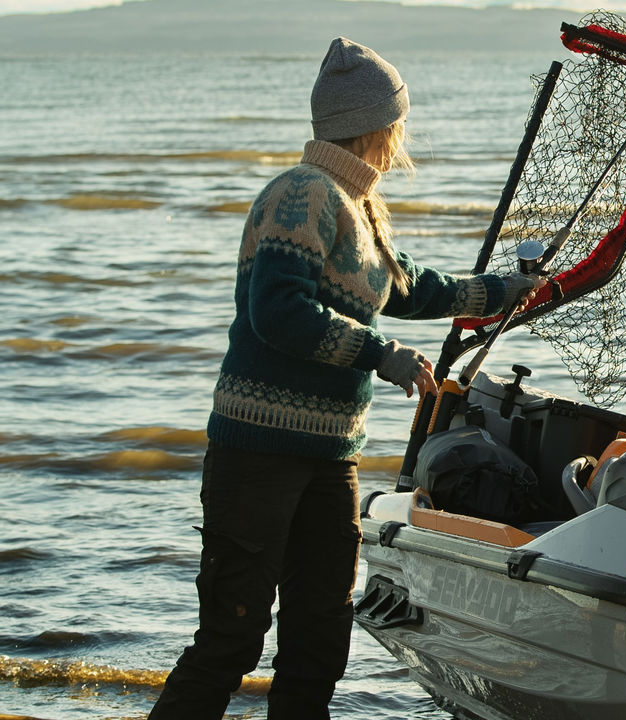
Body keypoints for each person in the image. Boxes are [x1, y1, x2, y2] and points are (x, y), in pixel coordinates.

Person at [150, 38, 542, 719]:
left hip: (329, 456)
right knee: (233, 636)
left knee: (321, 636)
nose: (401, 136)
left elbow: (411, 287)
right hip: (258, 453)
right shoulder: (300, 194)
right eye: (397, 122)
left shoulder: (359, 207)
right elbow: (277, 312)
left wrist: (501, 291)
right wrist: (379, 353)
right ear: (376, 126)